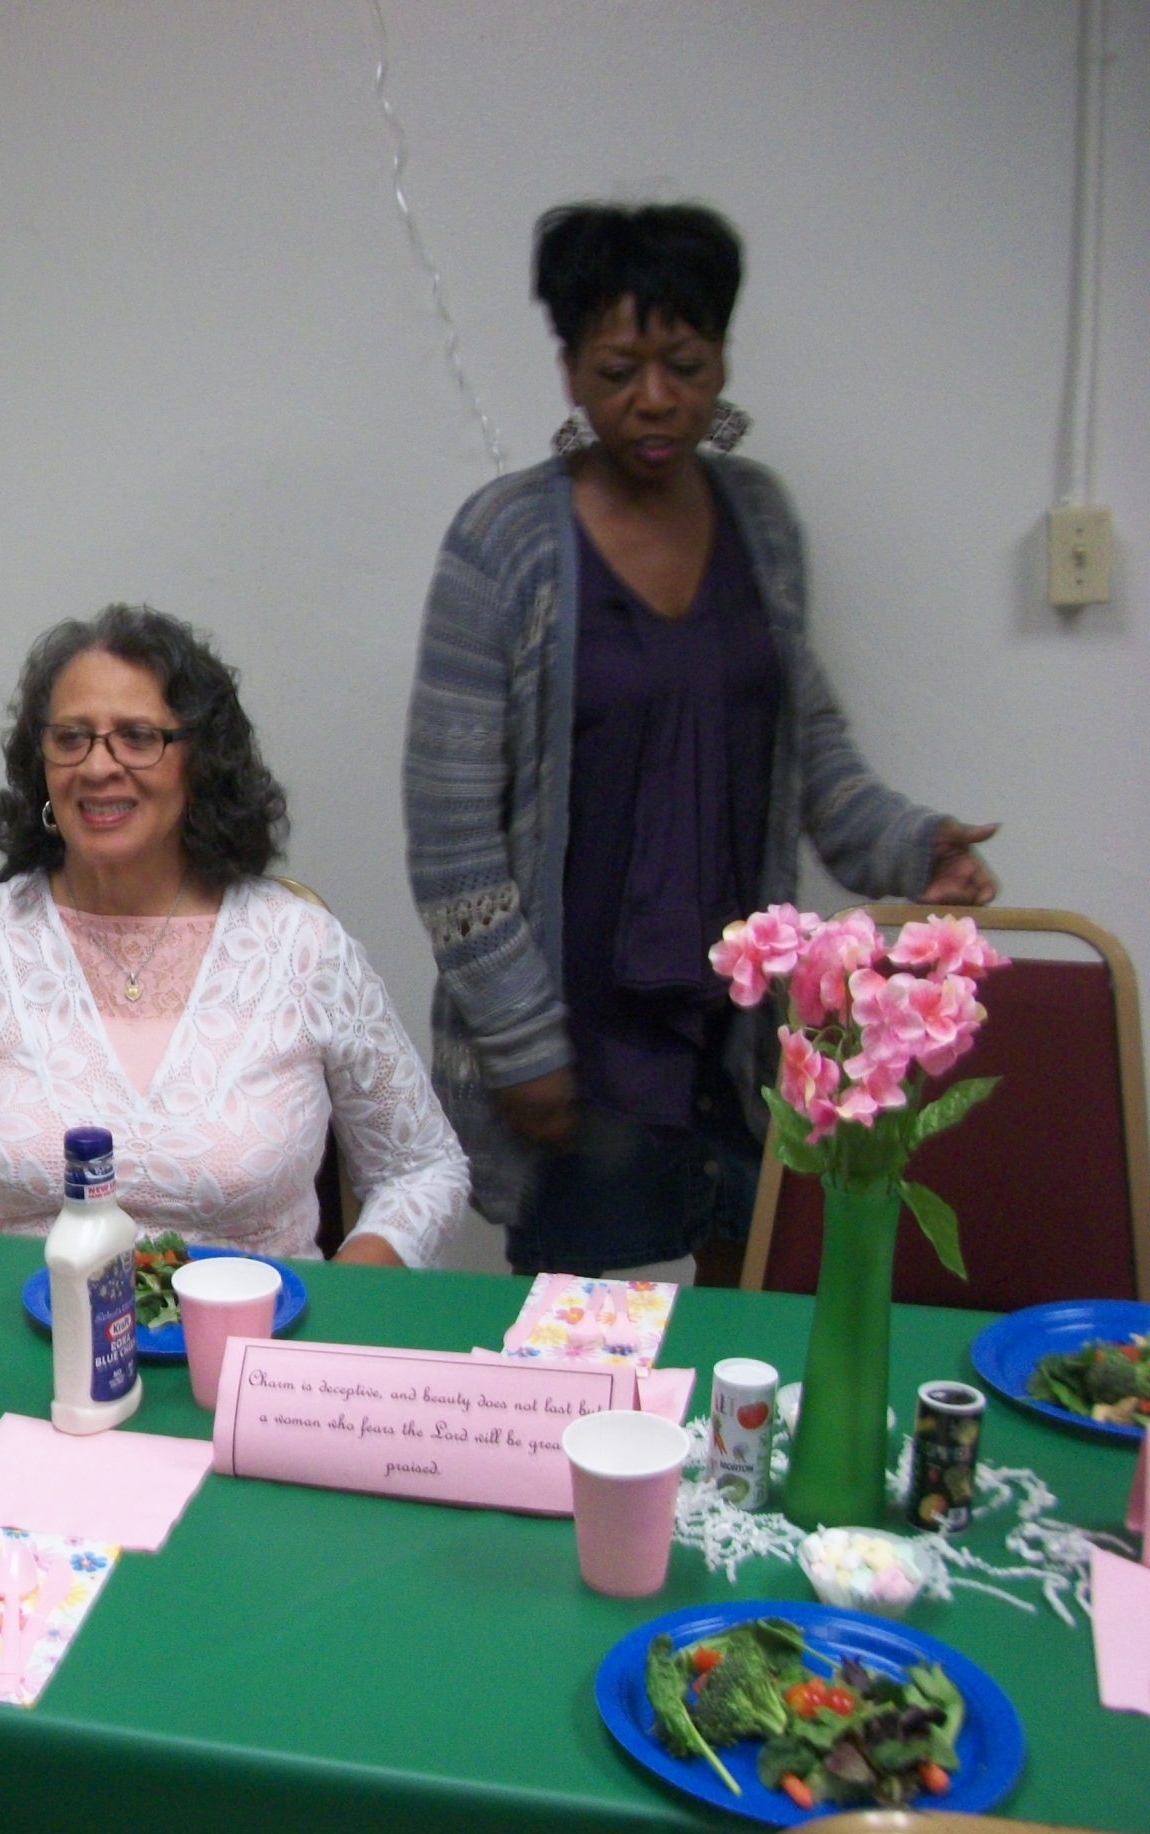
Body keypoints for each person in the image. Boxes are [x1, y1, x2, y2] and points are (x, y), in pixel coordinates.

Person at [402, 201, 997, 1285]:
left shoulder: (759, 520)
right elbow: (449, 833)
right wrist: (519, 1037)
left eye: (684, 365)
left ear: (721, 359)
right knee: (580, 1352)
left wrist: (915, 845)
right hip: (578, 1040)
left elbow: (806, 740)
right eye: (618, 369)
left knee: (749, 1331)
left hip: (741, 1037)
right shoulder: (504, 541)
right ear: (569, 371)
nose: (655, 398)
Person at [0, 604, 468, 1265]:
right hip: (4, 1323)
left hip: (249, 1324)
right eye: (71, 738)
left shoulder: (303, 947)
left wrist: (341, 1295)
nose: (98, 766)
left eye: (138, 737)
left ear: (200, 761)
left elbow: (422, 1170)